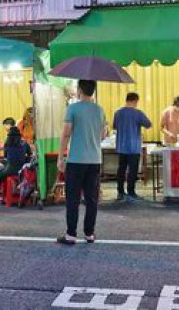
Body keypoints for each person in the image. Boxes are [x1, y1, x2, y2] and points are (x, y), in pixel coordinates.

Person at [57, 80, 106, 245]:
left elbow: (65, 134)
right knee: (91, 199)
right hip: (95, 160)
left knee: (73, 198)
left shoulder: (73, 108)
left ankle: (71, 234)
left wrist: (60, 157)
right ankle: (89, 233)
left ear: (79, 90)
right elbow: (103, 134)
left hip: (76, 160)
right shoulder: (100, 110)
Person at [113, 92, 152, 202]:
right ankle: (131, 192)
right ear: (135, 101)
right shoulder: (138, 113)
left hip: (121, 146)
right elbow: (148, 124)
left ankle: (120, 192)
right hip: (133, 147)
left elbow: (115, 126)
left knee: (121, 170)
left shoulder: (118, 113)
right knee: (132, 171)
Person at [0, 127, 32, 205]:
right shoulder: (25, 143)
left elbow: (6, 157)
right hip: (22, 170)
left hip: (10, 170)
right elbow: (30, 155)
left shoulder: (8, 144)